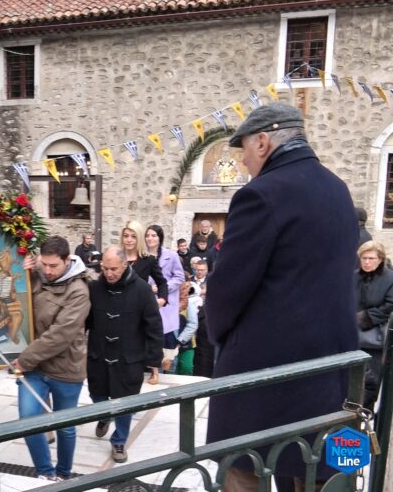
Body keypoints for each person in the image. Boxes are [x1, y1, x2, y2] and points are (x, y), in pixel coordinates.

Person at [205, 102, 358, 491]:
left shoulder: (260, 194)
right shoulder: (338, 189)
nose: (244, 164)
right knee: (314, 471)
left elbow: (227, 290)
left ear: (262, 142)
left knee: (242, 472)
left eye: (243, 153)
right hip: (330, 369)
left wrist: (222, 337)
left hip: (264, 378)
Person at [12, 236, 89, 481]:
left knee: (65, 427)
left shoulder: (79, 290)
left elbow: (61, 335)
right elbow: (16, 305)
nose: (47, 270)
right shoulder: (37, 275)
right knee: (28, 421)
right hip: (35, 369)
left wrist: (24, 360)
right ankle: (45, 473)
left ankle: (64, 474)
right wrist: (20, 275)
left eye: (53, 266)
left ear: (67, 261)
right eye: (44, 264)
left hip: (65, 369)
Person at [87, 247, 163, 463]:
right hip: (98, 355)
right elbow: (85, 320)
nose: (109, 273)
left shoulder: (142, 289)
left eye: (113, 269)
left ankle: (119, 441)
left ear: (124, 265)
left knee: (125, 403)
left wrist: (153, 360)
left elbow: (154, 326)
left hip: (129, 358)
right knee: (97, 396)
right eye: (105, 268)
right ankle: (103, 416)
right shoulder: (94, 288)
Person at [355, 240, 393, 411]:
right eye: (363, 258)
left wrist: (365, 318)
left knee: (372, 381)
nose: (367, 262)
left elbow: (389, 305)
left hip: (375, 337)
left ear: (380, 259)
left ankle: (366, 414)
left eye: (371, 258)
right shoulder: (353, 276)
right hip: (352, 334)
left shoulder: (390, 278)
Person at [145, 224, 186, 380]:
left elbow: (179, 277)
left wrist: (163, 288)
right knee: (149, 339)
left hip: (166, 304)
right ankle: (153, 371)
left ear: (160, 238)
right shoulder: (142, 255)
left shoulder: (171, 256)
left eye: (154, 235)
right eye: (148, 235)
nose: (150, 238)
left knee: (166, 342)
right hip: (147, 302)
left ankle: (166, 374)